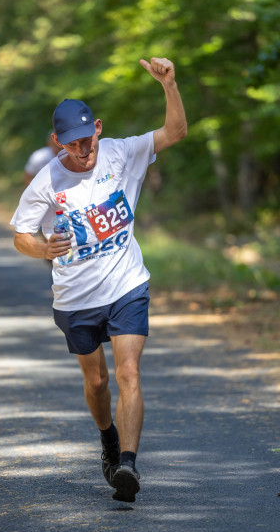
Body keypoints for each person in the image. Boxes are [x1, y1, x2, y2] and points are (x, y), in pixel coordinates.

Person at [10, 57, 187, 503]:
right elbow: (20, 235)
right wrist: (42, 248)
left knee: (129, 372)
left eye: (87, 138)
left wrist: (169, 85)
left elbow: (175, 133)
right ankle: (108, 438)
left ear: (99, 129)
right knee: (97, 383)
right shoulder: (47, 182)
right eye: (71, 143)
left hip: (126, 284)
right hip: (75, 299)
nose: (82, 149)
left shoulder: (121, 153)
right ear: (57, 142)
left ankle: (127, 464)